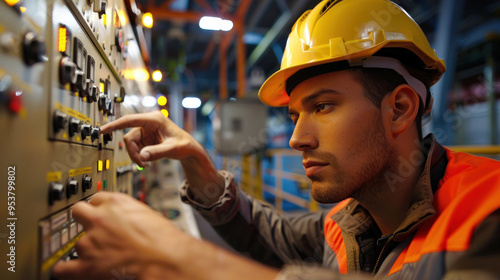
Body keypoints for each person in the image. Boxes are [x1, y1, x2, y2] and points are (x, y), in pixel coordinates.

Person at [52, 0, 500, 279]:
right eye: (294, 115)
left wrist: (186, 260)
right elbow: (275, 238)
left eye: (323, 106)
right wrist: (200, 165)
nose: (297, 139)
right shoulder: (350, 219)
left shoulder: (488, 214)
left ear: (400, 108)